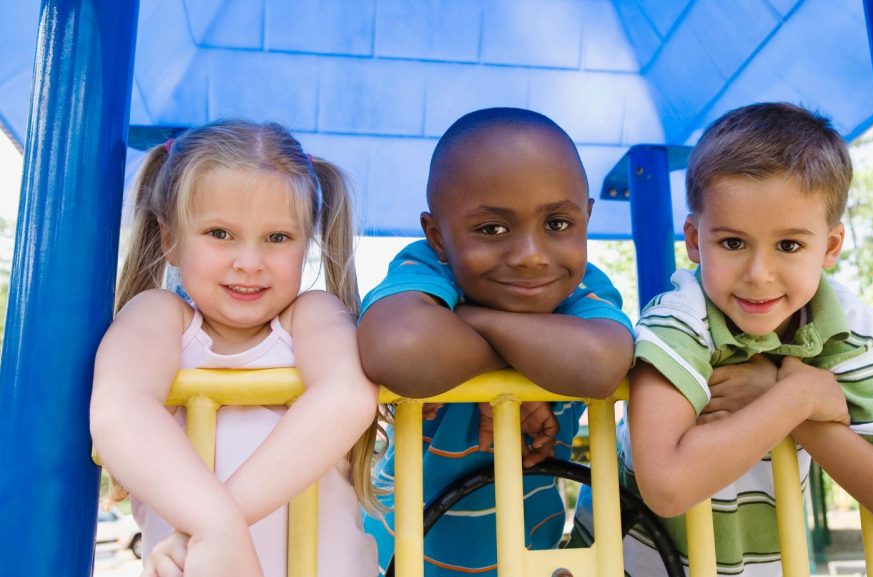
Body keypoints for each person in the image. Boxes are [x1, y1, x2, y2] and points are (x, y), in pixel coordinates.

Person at [577, 102, 873, 576]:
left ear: (830, 247)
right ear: (694, 239)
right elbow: (666, 486)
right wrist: (797, 398)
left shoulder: (850, 332)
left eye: (789, 245)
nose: (758, 275)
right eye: (732, 243)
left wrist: (788, 403)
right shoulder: (680, 319)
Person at [90, 120, 383, 577]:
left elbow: (346, 395)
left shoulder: (312, 318)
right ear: (170, 240)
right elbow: (119, 408)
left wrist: (216, 528)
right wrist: (216, 527)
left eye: (277, 238)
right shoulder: (158, 319)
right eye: (220, 234)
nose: (249, 262)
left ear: (306, 243)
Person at [357, 107, 635, 576]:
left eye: (558, 224)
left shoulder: (583, 287)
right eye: (492, 229)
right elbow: (398, 348)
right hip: (399, 560)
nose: (530, 256)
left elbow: (599, 362)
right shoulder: (427, 270)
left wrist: (469, 321)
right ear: (437, 237)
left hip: (525, 559)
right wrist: (523, 359)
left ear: (586, 217)